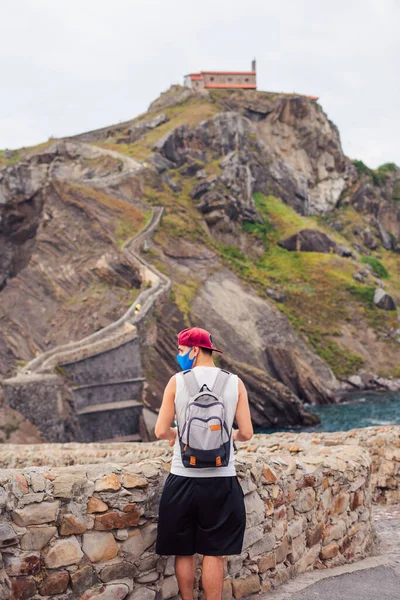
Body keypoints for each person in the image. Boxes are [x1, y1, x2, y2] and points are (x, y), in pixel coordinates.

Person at [155, 326, 253, 600]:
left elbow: (160, 430)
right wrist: (229, 435)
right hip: (222, 479)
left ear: (194, 350)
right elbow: (246, 433)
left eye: (181, 351)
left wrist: (177, 435)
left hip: (182, 477)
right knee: (214, 552)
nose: (179, 356)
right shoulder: (235, 382)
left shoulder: (177, 381)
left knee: (184, 550)